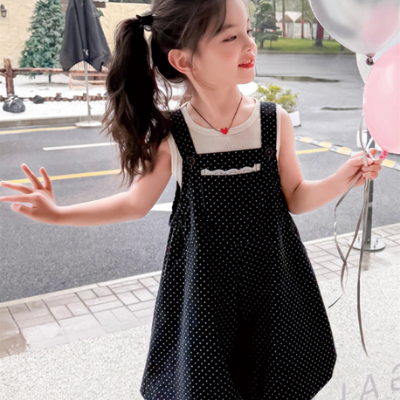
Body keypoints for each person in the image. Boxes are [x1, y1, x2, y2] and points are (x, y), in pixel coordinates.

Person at [0, 0, 384, 398]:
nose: (250, 45)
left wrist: (343, 177)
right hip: (204, 298)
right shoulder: (173, 134)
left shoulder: (274, 121)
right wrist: (58, 214)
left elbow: (297, 198)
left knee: (276, 380)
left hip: (274, 287)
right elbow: (135, 204)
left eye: (248, 31)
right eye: (230, 37)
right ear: (183, 60)